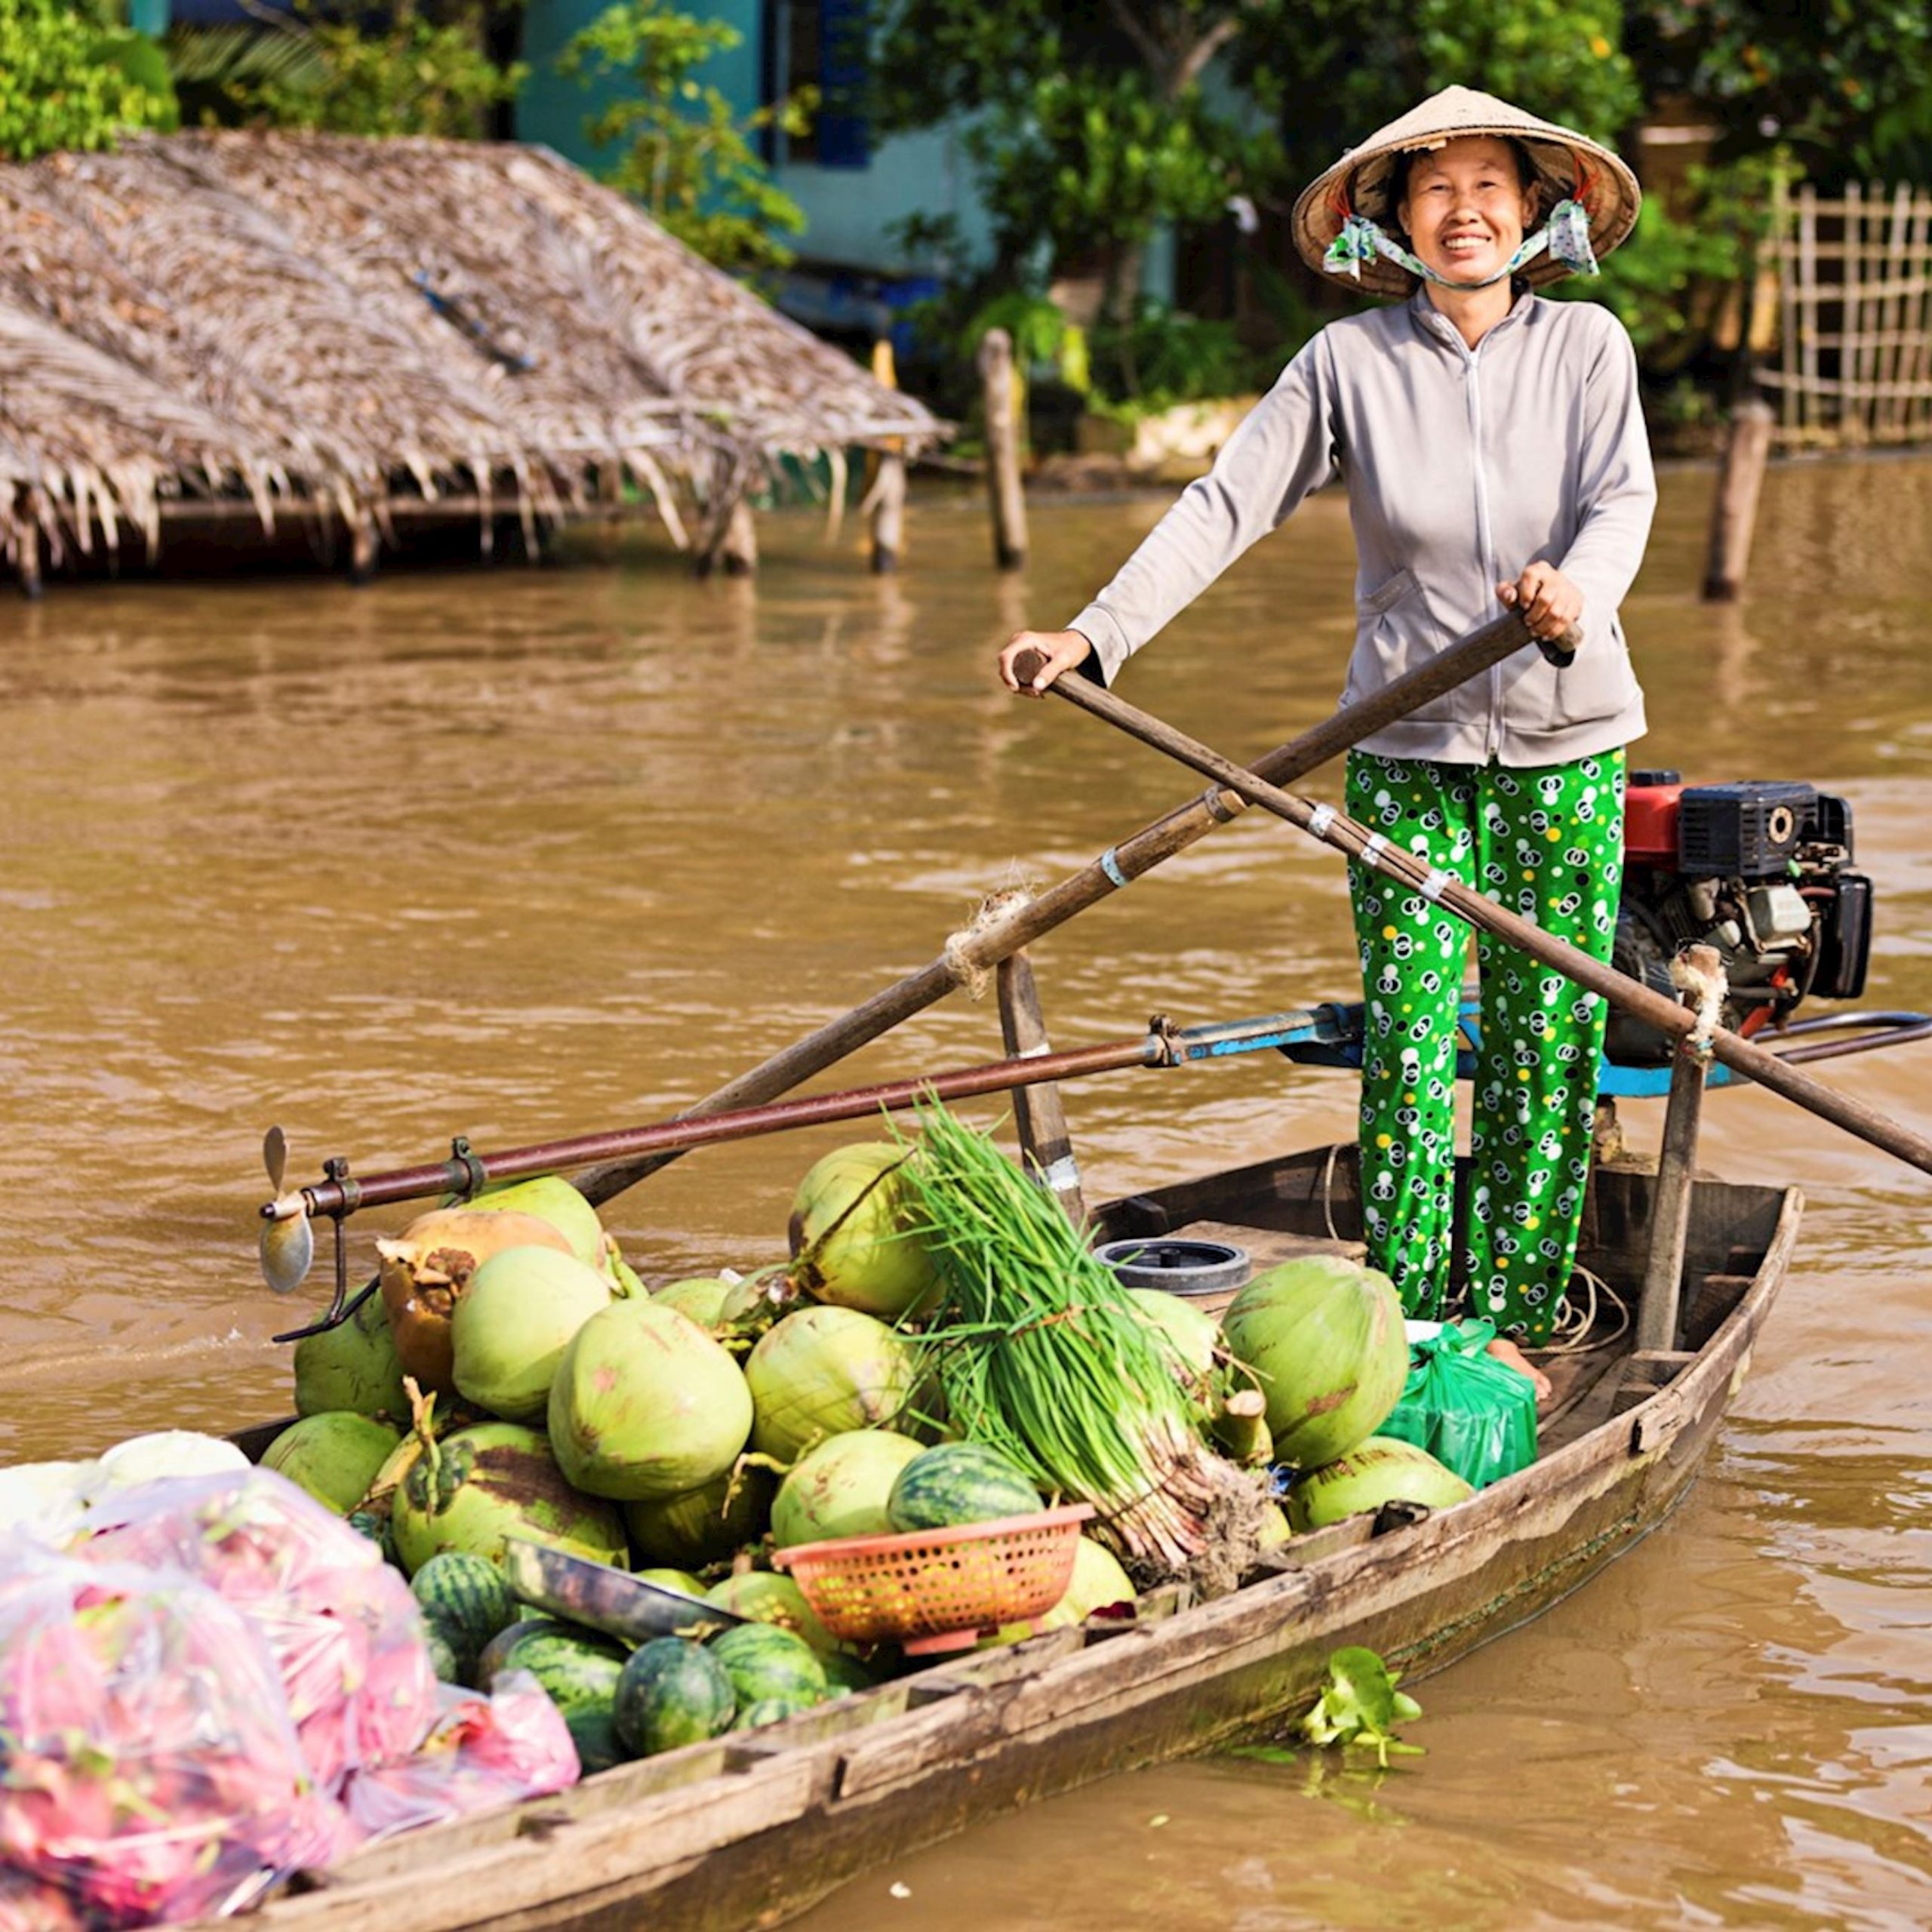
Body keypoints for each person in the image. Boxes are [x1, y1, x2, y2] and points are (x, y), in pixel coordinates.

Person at [998, 86, 1655, 1367]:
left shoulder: (1589, 349)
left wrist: (1575, 598)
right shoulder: (1348, 365)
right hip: (1405, 756)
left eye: (1487, 186)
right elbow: (1223, 504)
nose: (1463, 211)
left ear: (1533, 211)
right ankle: (1402, 1325)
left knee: (1547, 1040)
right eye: (1433, 189)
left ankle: (1515, 1327)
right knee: (1408, 1045)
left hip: (1568, 745)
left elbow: (1620, 502)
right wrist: (1094, 633)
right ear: (1397, 222)